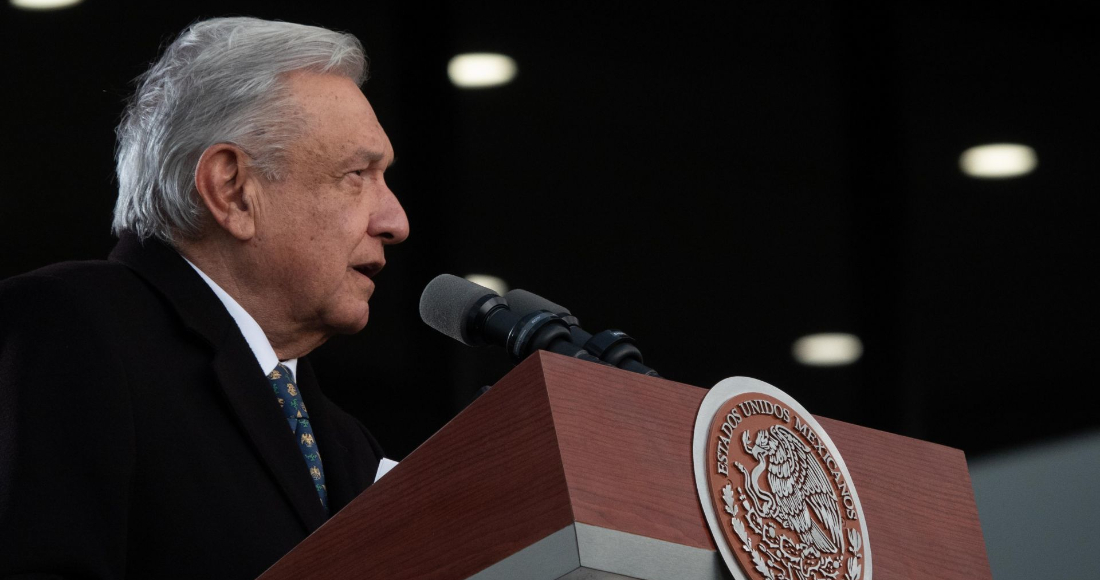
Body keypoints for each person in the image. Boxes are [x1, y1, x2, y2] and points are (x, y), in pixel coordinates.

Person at [0, 17, 409, 579]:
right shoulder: (72, 327)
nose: (395, 221)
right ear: (232, 189)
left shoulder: (342, 441)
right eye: (358, 174)